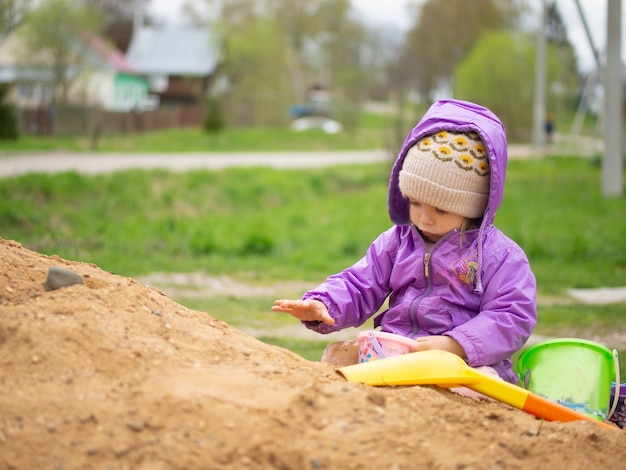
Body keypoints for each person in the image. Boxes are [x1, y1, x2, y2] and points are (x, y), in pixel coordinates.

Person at [272, 99, 537, 384]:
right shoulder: (397, 242)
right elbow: (360, 283)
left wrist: (457, 345)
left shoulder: (499, 256)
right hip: (394, 350)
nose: (424, 219)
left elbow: (512, 315)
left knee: (483, 384)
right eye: (415, 203)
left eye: (441, 210)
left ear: (474, 206)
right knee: (337, 358)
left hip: (461, 362)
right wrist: (325, 304)